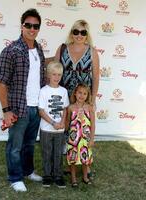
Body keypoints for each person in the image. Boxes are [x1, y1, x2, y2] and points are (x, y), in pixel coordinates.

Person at [0, 8, 45, 192]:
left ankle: (27, 171)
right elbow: (1, 83)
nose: (32, 29)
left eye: (36, 26)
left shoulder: (38, 49)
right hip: (18, 108)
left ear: (39, 28)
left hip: (36, 107)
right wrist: (6, 110)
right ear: (22, 26)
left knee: (30, 143)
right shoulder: (11, 51)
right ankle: (15, 177)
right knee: (15, 146)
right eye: (28, 25)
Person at [55, 19, 99, 178]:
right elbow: (54, 67)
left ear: (87, 35)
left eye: (83, 32)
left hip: (83, 99)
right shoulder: (62, 48)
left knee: (84, 132)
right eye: (76, 31)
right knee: (67, 130)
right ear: (71, 33)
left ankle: (86, 164)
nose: (79, 35)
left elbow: (95, 78)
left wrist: (92, 100)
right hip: (65, 98)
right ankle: (70, 163)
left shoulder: (92, 52)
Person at [38, 61, 69, 188]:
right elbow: (41, 111)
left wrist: (62, 122)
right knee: (47, 152)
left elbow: (65, 109)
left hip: (59, 130)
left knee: (58, 153)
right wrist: (52, 122)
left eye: (59, 75)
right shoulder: (44, 91)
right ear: (49, 75)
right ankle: (47, 175)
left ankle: (58, 175)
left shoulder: (63, 91)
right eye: (54, 74)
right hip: (46, 129)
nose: (57, 77)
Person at [66, 83, 95, 186]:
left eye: (84, 94)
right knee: (73, 158)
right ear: (75, 93)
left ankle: (85, 177)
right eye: (79, 93)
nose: (81, 95)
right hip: (73, 138)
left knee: (85, 158)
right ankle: (73, 179)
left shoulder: (90, 108)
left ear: (88, 96)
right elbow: (67, 123)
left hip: (85, 138)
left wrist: (91, 139)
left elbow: (93, 125)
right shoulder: (70, 108)